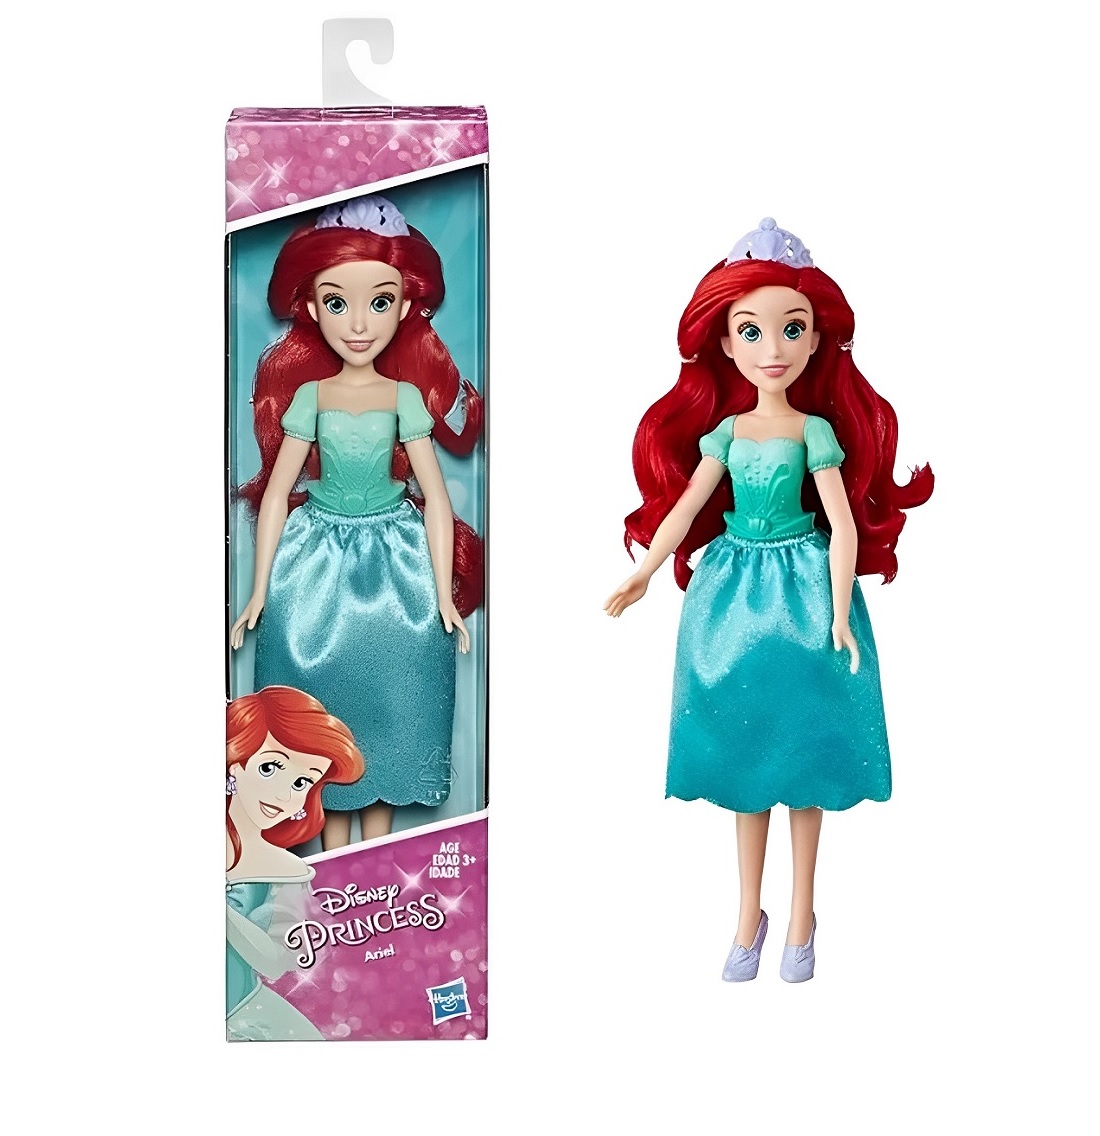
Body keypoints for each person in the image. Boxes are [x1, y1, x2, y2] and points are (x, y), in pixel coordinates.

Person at [606, 218, 933, 982]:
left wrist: (838, 610)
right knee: (746, 757)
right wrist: (647, 568)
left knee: (804, 758)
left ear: (816, 339)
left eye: (792, 328)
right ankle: (747, 912)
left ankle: (801, 914)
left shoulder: (814, 430)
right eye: (751, 330)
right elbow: (688, 505)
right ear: (725, 342)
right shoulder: (725, 432)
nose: (773, 347)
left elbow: (841, 523)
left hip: (804, 592)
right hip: (731, 597)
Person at [231, 194, 483, 846]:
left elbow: (435, 499)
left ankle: (378, 860)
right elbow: (279, 492)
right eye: (338, 302)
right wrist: (259, 591)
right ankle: (330, 866)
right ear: (313, 309)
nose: (360, 323)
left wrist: (442, 595)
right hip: (314, 563)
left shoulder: (404, 398)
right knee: (320, 728)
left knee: (393, 722)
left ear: (404, 307)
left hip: (397, 563)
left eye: (380, 301)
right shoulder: (310, 397)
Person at [226, 686, 365, 1039]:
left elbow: (275, 961)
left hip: (241, 1016)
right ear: (236, 760)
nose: (286, 794)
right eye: (270, 767)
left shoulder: (288, 871)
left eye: (302, 782)